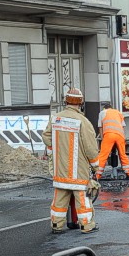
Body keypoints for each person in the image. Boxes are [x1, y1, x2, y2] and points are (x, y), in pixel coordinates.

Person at [41, 88, 100, 235]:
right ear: (80, 103)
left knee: (60, 198)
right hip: (78, 169)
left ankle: (56, 224)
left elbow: (47, 137)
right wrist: (95, 165)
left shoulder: (56, 118)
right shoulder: (83, 122)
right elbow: (90, 147)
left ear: (66, 101)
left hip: (60, 169)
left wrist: (55, 151)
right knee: (83, 198)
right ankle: (86, 225)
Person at [96, 103, 129, 180]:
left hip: (109, 135)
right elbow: (123, 126)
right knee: (123, 155)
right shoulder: (118, 112)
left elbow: (100, 127)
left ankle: (97, 175)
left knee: (103, 155)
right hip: (120, 135)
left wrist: (103, 139)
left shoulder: (102, 112)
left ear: (104, 108)